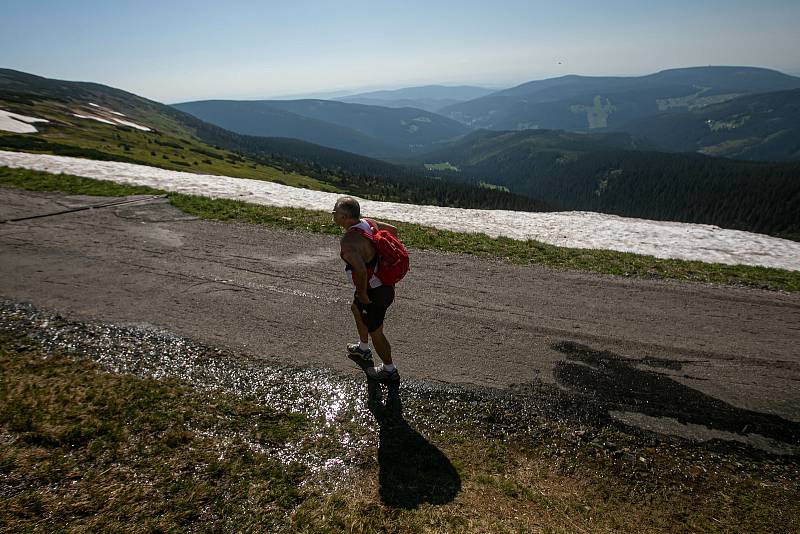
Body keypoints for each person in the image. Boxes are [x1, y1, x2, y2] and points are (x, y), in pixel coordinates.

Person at [332, 196, 400, 381]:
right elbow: (393, 230)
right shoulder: (368, 223)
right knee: (355, 309)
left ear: (345, 217)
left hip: (373, 291)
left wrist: (362, 293)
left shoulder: (348, 240)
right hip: (383, 283)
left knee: (376, 330)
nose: (333, 215)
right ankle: (363, 349)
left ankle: (389, 369)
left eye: (335, 213)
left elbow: (361, 270)